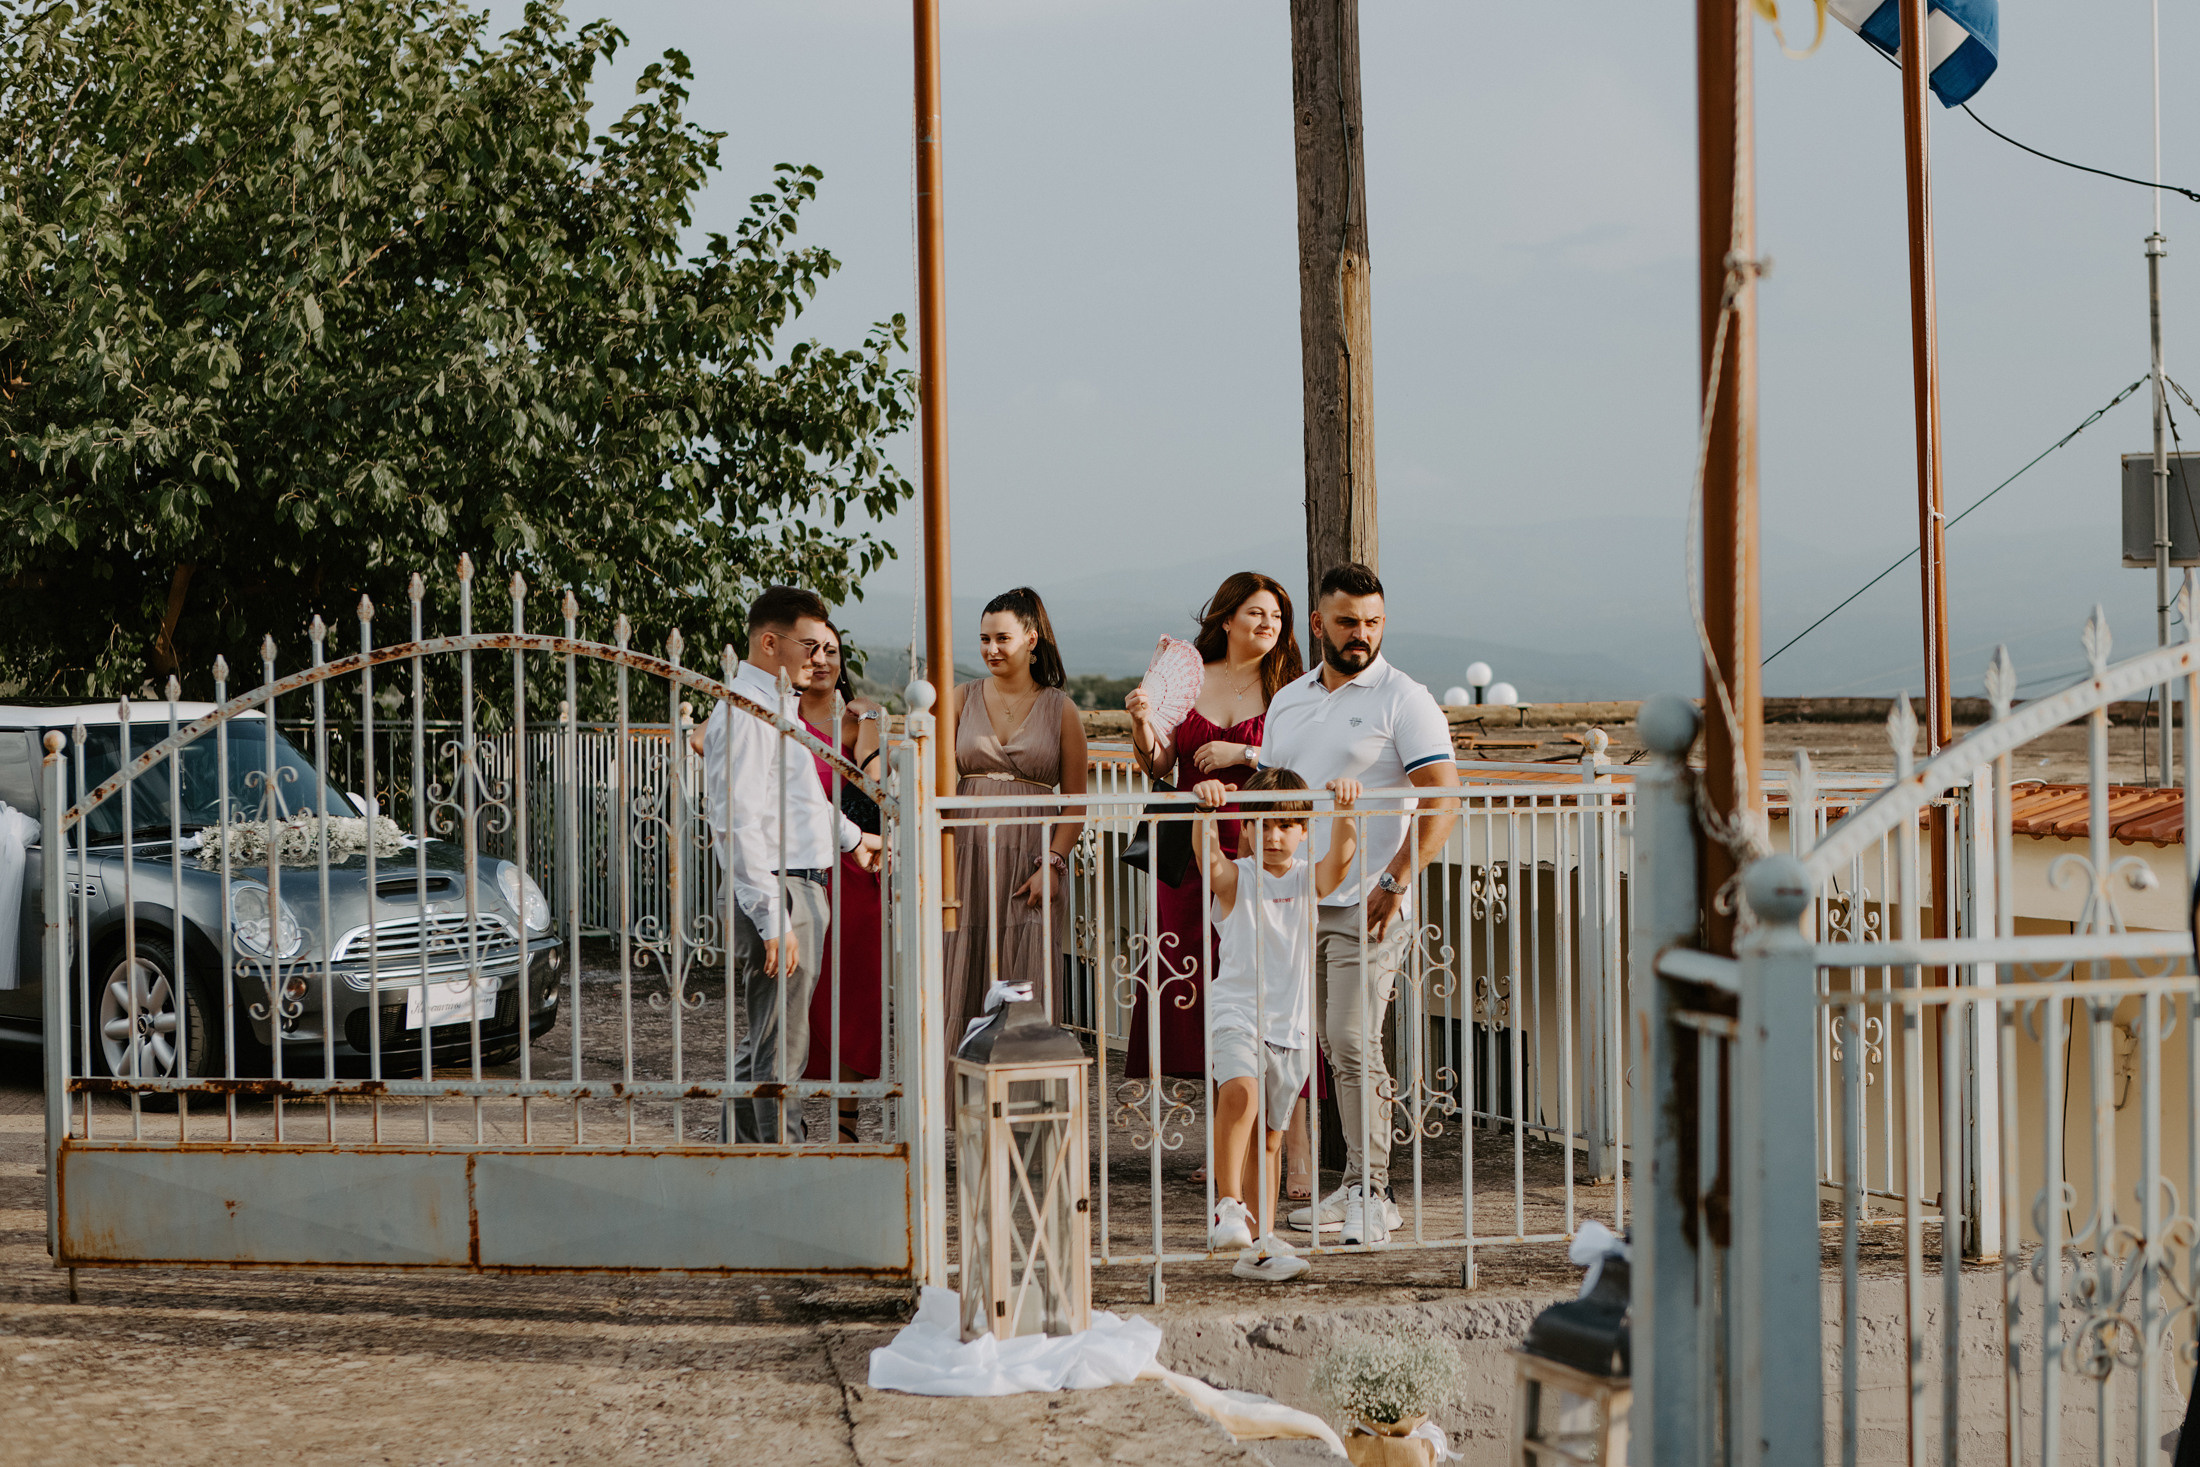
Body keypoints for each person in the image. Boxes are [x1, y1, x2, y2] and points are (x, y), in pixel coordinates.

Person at [1262, 563, 1461, 1246]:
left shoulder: (1405, 697)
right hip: (1298, 901)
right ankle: (1351, 1186)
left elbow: (1443, 794)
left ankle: (1376, 1192)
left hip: (1370, 904)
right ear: (1318, 624)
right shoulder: (1288, 699)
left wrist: (1398, 878)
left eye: (1373, 622)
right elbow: (1274, 794)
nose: (1361, 634)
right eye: (1348, 622)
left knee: (1352, 1040)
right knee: (1325, 1042)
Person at [1123, 570, 1319, 1197]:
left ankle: (1296, 1145)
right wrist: (1142, 722)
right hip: (1196, 850)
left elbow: (1305, 766)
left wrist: (1246, 759)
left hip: (1271, 851)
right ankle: (1227, 1139)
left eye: (1277, 617)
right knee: (1212, 989)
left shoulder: (1291, 689)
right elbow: (1159, 763)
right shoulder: (1191, 677)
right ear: (1227, 617)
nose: (1267, 625)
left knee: (1281, 987)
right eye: (1256, 613)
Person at [701, 585, 881, 1145]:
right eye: (808, 644)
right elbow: (736, 820)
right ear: (771, 642)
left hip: (799, 884)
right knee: (784, 1049)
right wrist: (771, 916)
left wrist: (853, 840)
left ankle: (739, 1163)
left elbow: (801, 798)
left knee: (766, 1041)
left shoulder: (778, 707)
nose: (818, 656)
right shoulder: (748, 711)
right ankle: (785, 1170)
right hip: (779, 890)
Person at [1190, 767, 1360, 1284]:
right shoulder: (1239, 878)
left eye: (1286, 825)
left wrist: (1347, 808)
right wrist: (1205, 811)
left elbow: (1343, 858)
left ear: (1303, 830)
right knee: (1239, 1093)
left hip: (1292, 1029)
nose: (1274, 835)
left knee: (1269, 1139)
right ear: (1245, 829)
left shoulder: (1309, 876)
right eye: (1263, 824)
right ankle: (1228, 1207)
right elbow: (1208, 860)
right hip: (1237, 1014)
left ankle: (1260, 1246)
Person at [941, 587, 1088, 1038]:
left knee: (1025, 982)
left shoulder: (1061, 710)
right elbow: (937, 783)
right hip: (965, 855)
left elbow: (1076, 803)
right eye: (984, 639)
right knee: (959, 973)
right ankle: (955, 1103)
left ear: (1031, 639)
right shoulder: (960, 699)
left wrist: (1055, 865)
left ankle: (1024, 1101)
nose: (991, 649)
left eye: (1002, 638)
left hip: (1031, 861)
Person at [793, 627, 886, 1144]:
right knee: (801, 994)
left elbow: (878, 786)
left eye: (832, 651)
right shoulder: (777, 719)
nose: (823, 659)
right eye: (813, 650)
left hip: (853, 873)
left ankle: (846, 1127)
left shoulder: (855, 721)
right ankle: (795, 1114)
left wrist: (869, 722)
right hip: (797, 870)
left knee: (851, 999)